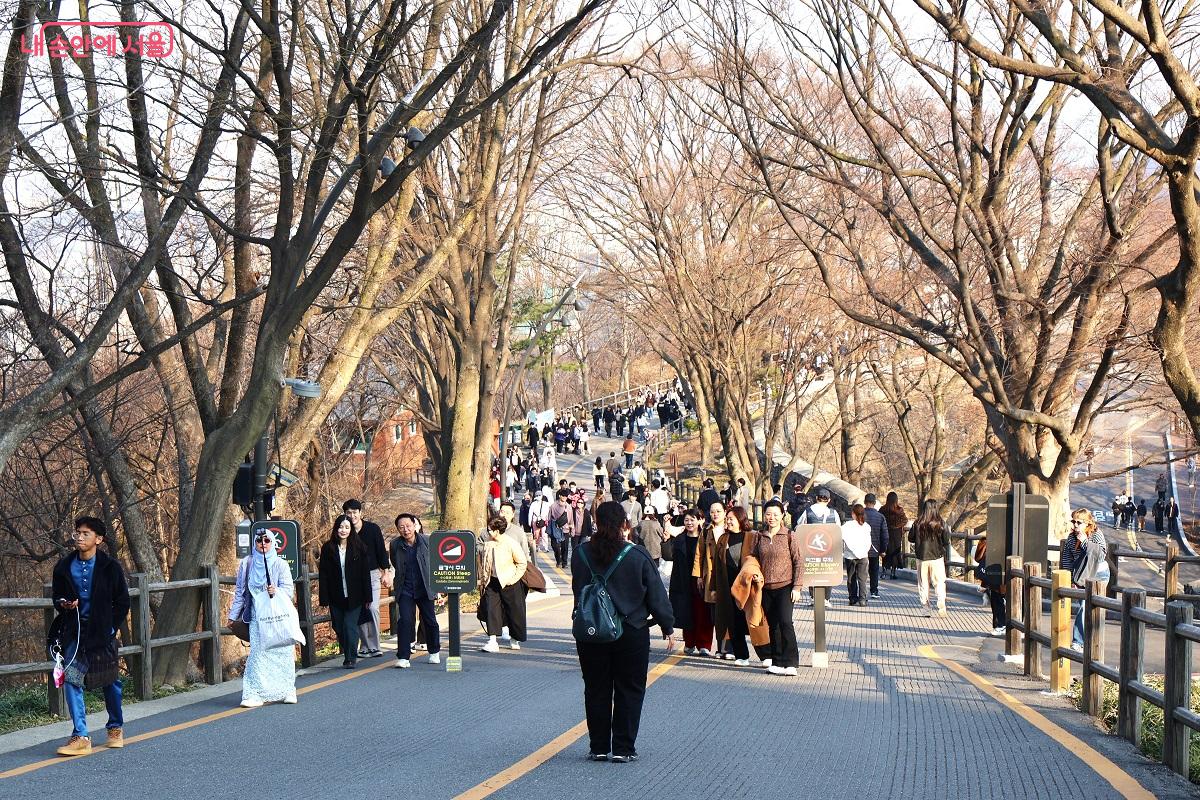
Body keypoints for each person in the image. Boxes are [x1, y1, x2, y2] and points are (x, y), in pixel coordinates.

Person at [571, 501, 674, 763]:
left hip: (592, 630)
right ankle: (623, 748)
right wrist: (667, 626)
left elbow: (577, 591)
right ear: (624, 525)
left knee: (596, 688)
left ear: (596, 520)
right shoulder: (637, 555)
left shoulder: (581, 554)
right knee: (630, 688)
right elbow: (657, 596)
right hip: (631, 630)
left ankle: (599, 747)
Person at [52, 516, 131, 755]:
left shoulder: (111, 567)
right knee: (72, 679)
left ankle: (115, 728)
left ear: (99, 539)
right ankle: (81, 736)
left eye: (86, 533)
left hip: (102, 633)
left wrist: (110, 627)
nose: (80, 537)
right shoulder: (64, 566)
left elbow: (123, 601)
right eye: (78, 532)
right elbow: (57, 596)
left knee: (110, 681)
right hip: (75, 634)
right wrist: (64, 603)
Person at [318, 515, 373, 669]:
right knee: (339, 626)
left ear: (351, 529)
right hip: (336, 594)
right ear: (336, 528)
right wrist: (324, 597)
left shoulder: (359, 547)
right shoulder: (327, 548)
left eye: (347, 527)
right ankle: (348, 651)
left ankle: (350, 657)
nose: (343, 530)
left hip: (355, 595)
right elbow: (323, 574)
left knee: (350, 626)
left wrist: (368, 596)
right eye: (341, 527)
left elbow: (365, 574)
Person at [755, 502, 803, 675]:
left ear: (782, 515)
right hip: (766, 587)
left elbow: (798, 561)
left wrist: (797, 587)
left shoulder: (790, 535)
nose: (772, 518)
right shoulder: (759, 536)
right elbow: (753, 559)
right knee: (772, 625)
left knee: (785, 622)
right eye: (768, 514)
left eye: (775, 514)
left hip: (785, 585)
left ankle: (791, 662)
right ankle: (777, 661)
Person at [390, 513, 442, 668]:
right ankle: (403, 657)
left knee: (430, 620)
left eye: (408, 526)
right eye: (401, 527)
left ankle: (434, 651)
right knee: (405, 621)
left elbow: (436, 563)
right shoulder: (395, 545)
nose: (405, 530)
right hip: (405, 588)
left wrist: (438, 588)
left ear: (415, 525)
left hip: (425, 587)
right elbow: (395, 562)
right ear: (398, 530)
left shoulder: (427, 541)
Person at [710, 506, 759, 666]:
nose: (728, 521)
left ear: (741, 519)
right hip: (728, 587)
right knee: (733, 621)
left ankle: (766, 654)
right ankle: (741, 655)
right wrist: (714, 588)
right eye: (728, 519)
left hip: (747, 587)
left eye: (731, 518)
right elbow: (716, 566)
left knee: (754, 620)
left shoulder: (752, 537)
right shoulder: (723, 538)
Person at [342, 499, 390, 660]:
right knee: (360, 610)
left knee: (373, 608)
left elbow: (381, 551)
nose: (352, 515)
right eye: (348, 513)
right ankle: (365, 645)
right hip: (352, 578)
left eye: (355, 512)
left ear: (360, 513)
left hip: (372, 575)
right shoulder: (344, 530)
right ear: (345, 514)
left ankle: (375, 646)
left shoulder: (372, 529)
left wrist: (386, 571)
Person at [665, 508, 714, 656]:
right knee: (687, 611)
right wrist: (666, 540)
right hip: (683, 580)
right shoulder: (680, 538)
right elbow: (669, 556)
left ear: (700, 520)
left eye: (692, 519)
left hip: (701, 580)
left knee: (703, 612)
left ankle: (704, 644)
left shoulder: (706, 538)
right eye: (686, 520)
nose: (689, 523)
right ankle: (690, 642)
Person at [1060, 509, 1109, 650]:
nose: (1075, 525)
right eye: (1073, 521)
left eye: (1078, 522)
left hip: (1098, 575)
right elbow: (1068, 560)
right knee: (1084, 606)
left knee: (1089, 607)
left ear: (1087, 523)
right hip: (1082, 577)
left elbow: (1100, 556)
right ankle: (1084, 641)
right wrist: (1069, 579)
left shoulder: (1096, 535)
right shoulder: (1071, 538)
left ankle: (1079, 641)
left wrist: (1085, 542)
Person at [479, 516, 530, 653]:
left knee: (514, 611)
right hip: (492, 581)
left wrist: (512, 579)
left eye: (490, 529)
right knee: (491, 610)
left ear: (497, 530)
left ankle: (515, 638)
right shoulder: (488, 543)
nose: (488, 532)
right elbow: (485, 564)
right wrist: (483, 581)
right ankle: (492, 640)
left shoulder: (510, 543)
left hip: (510, 581)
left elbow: (522, 563)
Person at [693, 501, 726, 656]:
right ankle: (717, 645)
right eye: (712, 511)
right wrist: (699, 575)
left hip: (727, 576)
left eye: (718, 511)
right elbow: (699, 553)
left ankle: (725, 647)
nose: (715, 514)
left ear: (725, 512)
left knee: (726, 612)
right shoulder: (706, 530)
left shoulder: (730, 527)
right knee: (714, 613)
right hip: (710, 577)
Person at [909, 499, 948, 617]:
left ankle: (926, 608)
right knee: (939, 582)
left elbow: (910, 538)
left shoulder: (918, 523)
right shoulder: (941, 523)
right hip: (936, 557)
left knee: (923, 583)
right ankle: (941, 602)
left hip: (921, 557)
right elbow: (946, 540)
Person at [974, 538, 1006, 637]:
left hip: (996, 576)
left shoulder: (988, 540)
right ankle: (1007, 626)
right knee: (999, 600)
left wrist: (984, 584)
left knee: (997, 601)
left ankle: (1001, 625)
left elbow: (979, 558)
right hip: (1002, 574)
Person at [842, 504, 872, 606]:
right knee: (862, 579)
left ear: (853, 514)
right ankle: (862, 599)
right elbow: (868, 542)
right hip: (863, 555)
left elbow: (842, 537)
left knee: (851, 578)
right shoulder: (866, 526)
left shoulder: (847, 525)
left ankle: (852, 598)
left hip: (850, 555)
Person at [862, 493, 890, 599]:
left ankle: (861, 592)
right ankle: (874, 591)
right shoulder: (880, 517)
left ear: (865, 502)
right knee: (874, 570)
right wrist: (883, 549)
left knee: (861, 571)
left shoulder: (860, 515)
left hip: (861, 548)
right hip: (875, 548)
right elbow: (885, 535)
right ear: (875, 503)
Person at [881, 492, 908, 578]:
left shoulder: (883, 509)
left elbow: (880, 519)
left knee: (886, 550)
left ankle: (884, 570)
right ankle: (893, 572)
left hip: (886, 531)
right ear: (896, 499)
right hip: (896, 533)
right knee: (895, 552)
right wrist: (898, 526)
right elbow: (905, 520)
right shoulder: (899, 510)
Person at [549, 489, 573, 569]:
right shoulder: (553, 506)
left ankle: (564, 562)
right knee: (555, 546)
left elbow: (571, 519)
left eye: (566, 496)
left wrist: (571, 529)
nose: (564, 497)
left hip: (565, 529)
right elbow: (549, 518)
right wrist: (549, 529)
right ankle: (558, 560)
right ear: (559, 496)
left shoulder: (568, 507)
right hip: (556, 529)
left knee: (565, 547)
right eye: (563, 496)